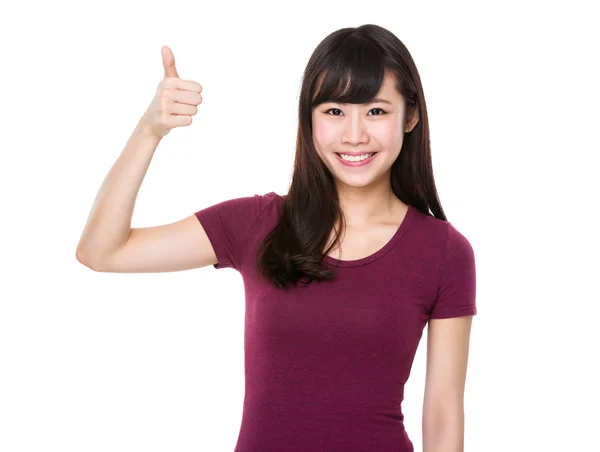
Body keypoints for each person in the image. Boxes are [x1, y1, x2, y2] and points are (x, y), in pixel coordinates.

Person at [76, 24, 476, 452]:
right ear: (309, 118)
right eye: (334, 111)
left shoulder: (444, 252)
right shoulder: (256, 223)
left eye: (376, 111)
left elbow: (442, 414)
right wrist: (149, 131)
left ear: (410, 116)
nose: (354, 134)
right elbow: (102, 252)